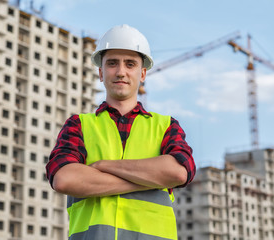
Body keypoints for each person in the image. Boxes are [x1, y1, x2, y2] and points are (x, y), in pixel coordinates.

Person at [46, 24, 196, 240]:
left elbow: (179, 172)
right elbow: (64, 179)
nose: (121, 72)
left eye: (130, 64)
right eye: (112, 63)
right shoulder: (79, 125)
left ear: (143, 73)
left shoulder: (166, 126)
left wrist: (103, 166)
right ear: (101, 72)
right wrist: (150, 180)